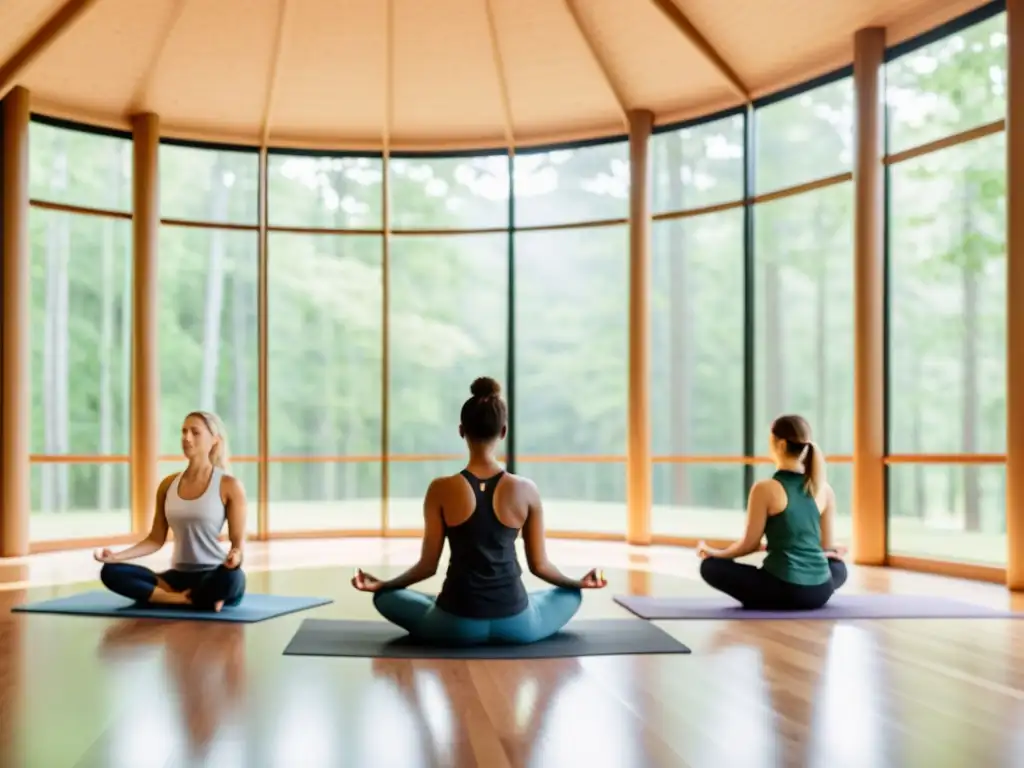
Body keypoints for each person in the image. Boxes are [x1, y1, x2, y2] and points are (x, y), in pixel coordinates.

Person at [352, 376, 606, 645]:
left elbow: (427, 567)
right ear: (503, 431)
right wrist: (578, 583)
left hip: (454, 624)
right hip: (518, 624)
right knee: (570, 595)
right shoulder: (526, 489)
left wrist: (383, 584)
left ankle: (433, 606)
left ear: (462, 430)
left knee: (384, 597)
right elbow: (540, 567)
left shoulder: (440, 489)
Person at [94, 411, 247, 612]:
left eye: (195, 432)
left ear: (214, 441)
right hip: (176, 579)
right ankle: (184, 600)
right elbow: (155, 540)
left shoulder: (229, 485)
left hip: (214, 574)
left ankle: (172, 597)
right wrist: (116, 557)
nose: (186, 438)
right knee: (111, 572)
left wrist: (234, 558)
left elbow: (238, 545)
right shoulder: (168, 485)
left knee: (233, 578)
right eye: (183, 432)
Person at [696, 414, 848, 611]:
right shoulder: (824, 489)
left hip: (784, 590)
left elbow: (749, 545)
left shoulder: (766, 489)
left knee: (711, 567)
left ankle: (770, 598)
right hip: (820, 592)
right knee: (838, 567)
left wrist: (714, 553)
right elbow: (825, 546)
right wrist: (837, 549)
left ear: (782, 445)